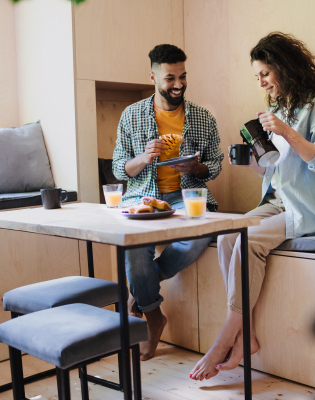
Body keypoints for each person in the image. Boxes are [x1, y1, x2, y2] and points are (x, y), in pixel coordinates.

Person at [190, 32, 315, 380]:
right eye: (257, 76)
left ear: (284, 68)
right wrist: (251, 164)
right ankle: (247, 335)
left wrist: (288, 132)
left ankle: (230, 334)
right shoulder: (277, 109)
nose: (261, 82)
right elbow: (274, 170)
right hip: (276, 200)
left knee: (249, 240)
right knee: (228, 234)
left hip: (305, 207)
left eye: (264, 74)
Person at [112, 44, 224, 361]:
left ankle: (140, 294)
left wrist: (195, 167)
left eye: (183, 76)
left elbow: (215, 165)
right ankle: (154, 317)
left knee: (201, 234)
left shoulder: (202, 118)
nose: (178, 84)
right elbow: (120, 167)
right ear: (153, 77)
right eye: (170, 78)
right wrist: (145, 157)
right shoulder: (131, 115)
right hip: (143, 196)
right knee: (134, 248)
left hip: (188, 196)